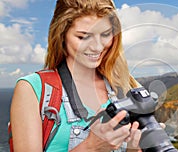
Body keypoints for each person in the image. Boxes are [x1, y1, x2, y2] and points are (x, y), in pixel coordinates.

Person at [10, 0, 142, 151]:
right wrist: (91, 147)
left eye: (105, 34)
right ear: (62, 35)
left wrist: (135, 147)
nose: (97, 47)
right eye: (83, 37)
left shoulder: (127, 86)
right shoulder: (33, 89)